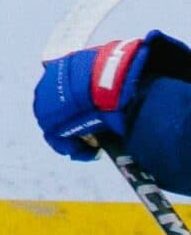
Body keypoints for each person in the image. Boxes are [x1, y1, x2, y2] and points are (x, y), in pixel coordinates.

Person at [36, 31, 191, 191]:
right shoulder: (163, 79)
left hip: (158, 134)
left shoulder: (157, 150)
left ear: (86, 135)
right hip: (168, 92)